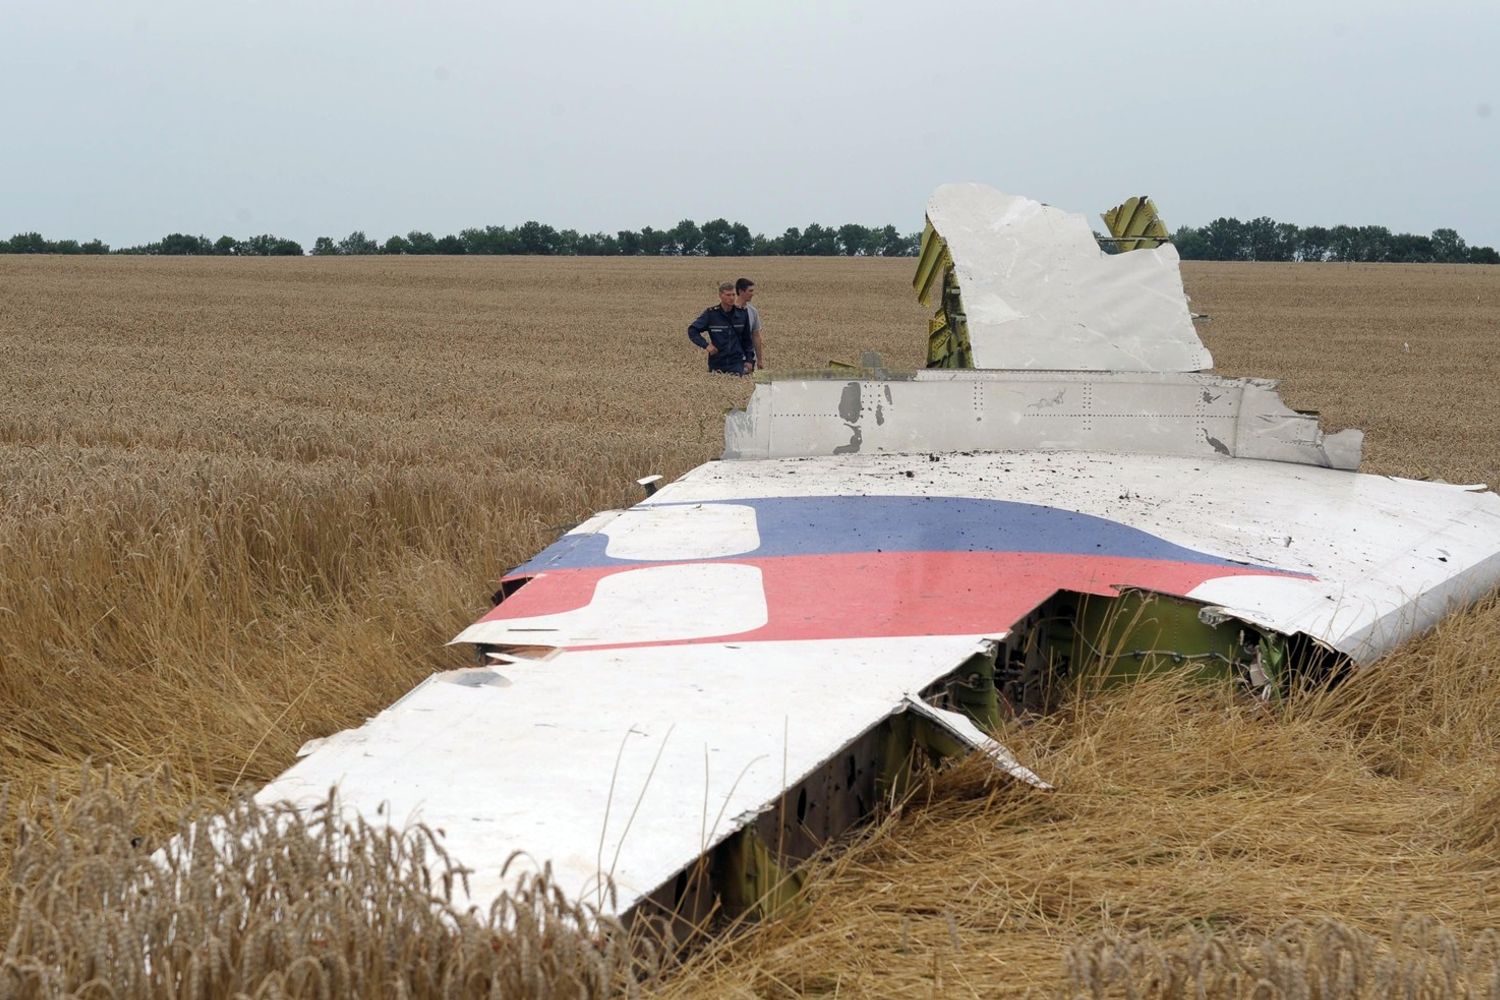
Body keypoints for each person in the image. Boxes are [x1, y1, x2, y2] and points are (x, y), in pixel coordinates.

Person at [687, 281, 755, 375]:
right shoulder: (711, 314)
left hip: (737, 363)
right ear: (720, 295)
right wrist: (706, 345)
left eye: (733, 295)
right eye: (728, 295)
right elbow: (692, 330)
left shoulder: (742, 314)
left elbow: (747, 340)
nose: (731, 298)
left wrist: (749, 360)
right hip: (717, 363)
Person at [736, 277, 764, 371]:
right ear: (741, 291)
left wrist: (759, 360)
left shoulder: (753, 311)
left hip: (749, 359)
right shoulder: (728, 311)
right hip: (731, 359)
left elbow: (756, 336)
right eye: (750, 291)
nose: (753, 294)